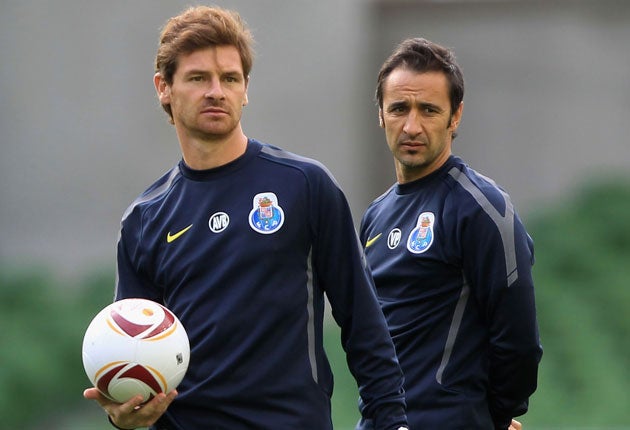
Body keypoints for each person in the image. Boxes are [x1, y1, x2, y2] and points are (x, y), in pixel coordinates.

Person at [83, 6, 409, 430]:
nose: (216, 91)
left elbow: (364, 324)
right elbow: (129, 354)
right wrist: (124, 415)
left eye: (230, 78)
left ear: (245, 89)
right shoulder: (145, 219)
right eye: (199, 78)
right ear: (164, 88)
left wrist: (393, 422)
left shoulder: (305, 186)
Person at [358, 37, 543, 430]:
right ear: (380, 115)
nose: (412, 125)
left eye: (428, 110)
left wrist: (488, 418)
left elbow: (520, 344)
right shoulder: (375, 216)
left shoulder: (481, 209)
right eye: (399, 109)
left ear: (454, 117)